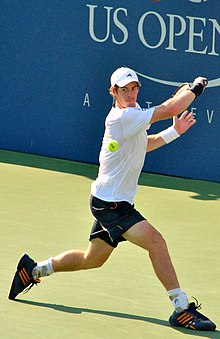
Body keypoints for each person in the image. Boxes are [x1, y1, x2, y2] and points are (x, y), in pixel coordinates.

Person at [9, 67, 216, 331]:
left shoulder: (133, 115)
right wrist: (196, 87)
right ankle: (181, 308)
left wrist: (174, 132)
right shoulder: (122, 118)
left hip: (109, 201)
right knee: (157, 243)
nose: (130, 93)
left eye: (134, 88)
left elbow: (145, 143)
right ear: (113, 92)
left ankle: (33, 270)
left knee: (91, 259)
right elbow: (169, 108)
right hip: (112, 206)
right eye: (124, 89)